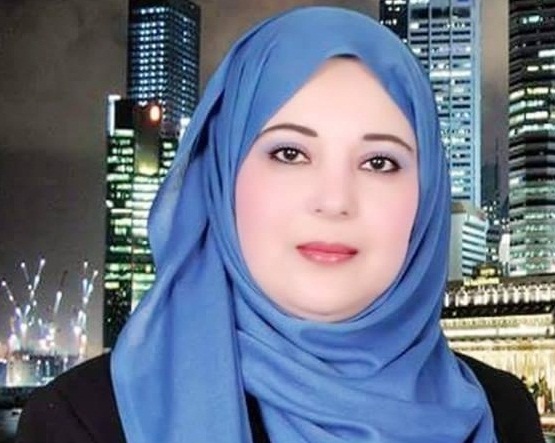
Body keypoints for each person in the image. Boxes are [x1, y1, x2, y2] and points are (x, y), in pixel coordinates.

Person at [16, 6, 543, 443]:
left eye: (380, 162)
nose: (334, 201)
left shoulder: (500, 412)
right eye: (290, 153)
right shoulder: (86, 422)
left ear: (426, 197)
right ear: (223, 178)